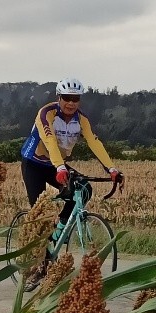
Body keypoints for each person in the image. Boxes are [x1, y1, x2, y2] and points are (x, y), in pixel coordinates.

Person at [19, 78, 122, 284]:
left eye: (75, 98)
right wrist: (59, 167)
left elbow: (94, 142)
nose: (71, 102)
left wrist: (111, 168)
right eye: (67, 98)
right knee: (39, 213)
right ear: (59, 98)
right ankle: (37, 264)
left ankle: (61, 226)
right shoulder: (46, 114)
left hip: (57, 165)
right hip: (35, 163)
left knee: (83, 189)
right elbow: (49, 142)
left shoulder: (81, 119)